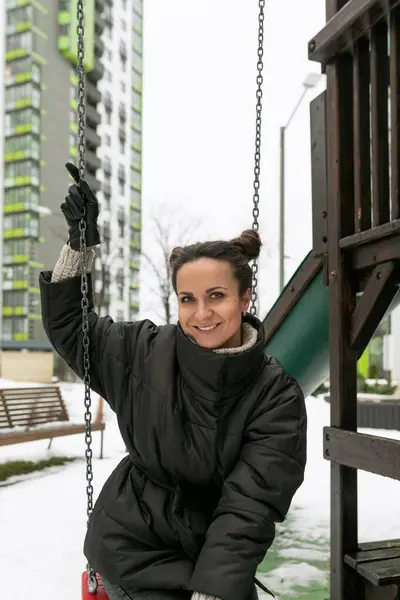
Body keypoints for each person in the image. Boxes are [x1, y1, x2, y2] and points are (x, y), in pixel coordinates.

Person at [39, 164, 307, 600]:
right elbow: (71, 326)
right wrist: (78, 247)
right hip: (131, 549)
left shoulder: (275, 396)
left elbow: (251, 504)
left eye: (216, 296)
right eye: (188, 299)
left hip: (210, 556)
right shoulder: (144, 353)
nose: (201, 314)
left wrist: (214, 588)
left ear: (244, 298)